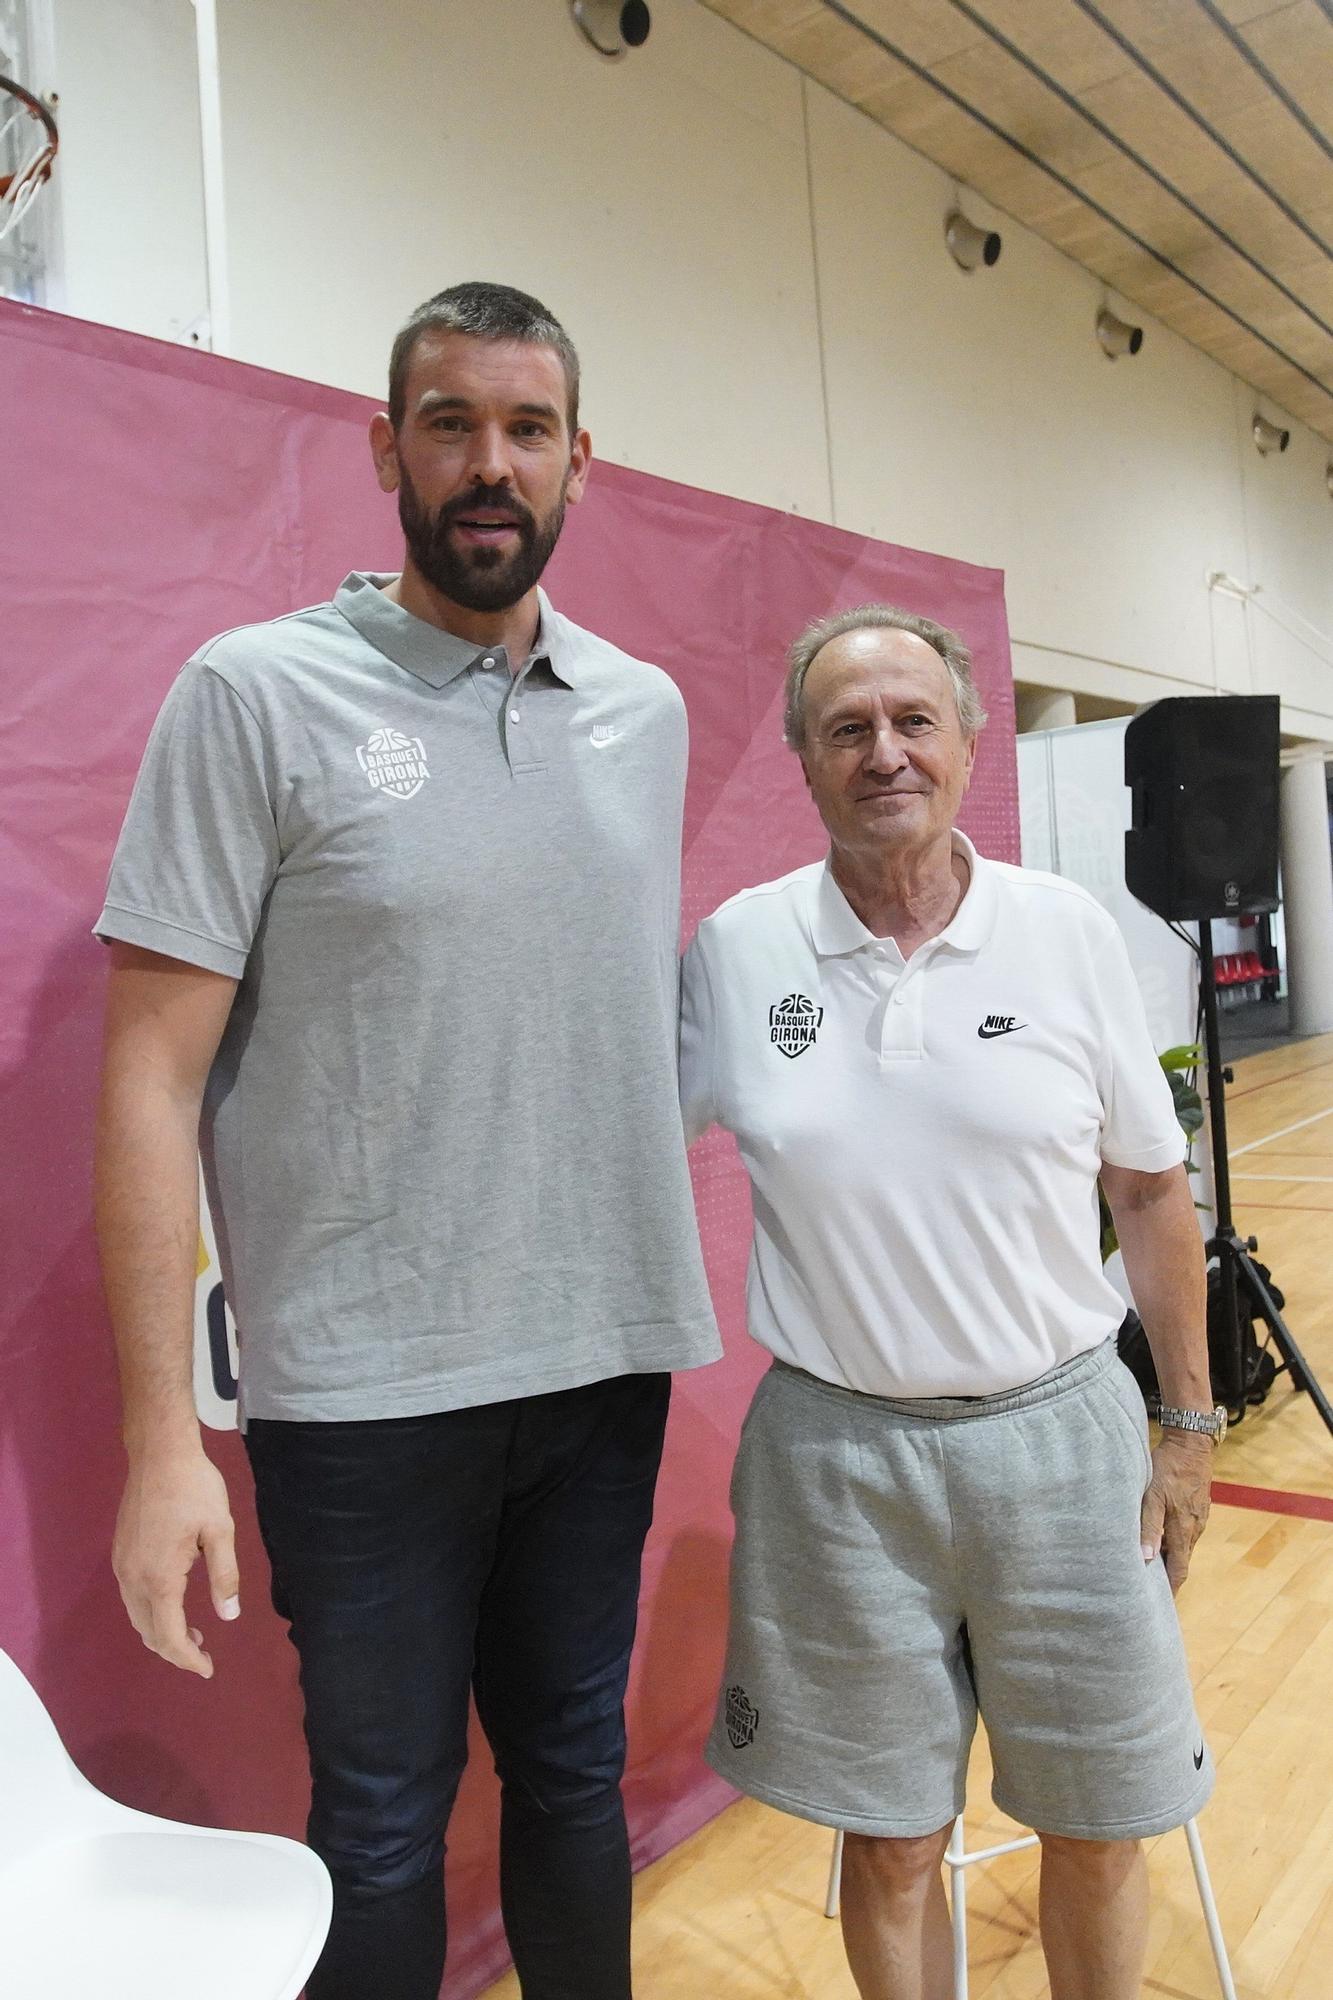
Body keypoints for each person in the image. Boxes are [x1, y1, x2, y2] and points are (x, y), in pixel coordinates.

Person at [93, 280, 719, 2000]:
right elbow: (146, 1079)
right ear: (387, 448)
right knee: (378, 1829)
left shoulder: (640, 712)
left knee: (574, 1782)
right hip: (363, 1395)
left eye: (527, 430)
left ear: (583, 464)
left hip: (601, 1365)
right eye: (450, 423)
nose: (489, 464)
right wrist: (162, 1444)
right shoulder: (255, 695)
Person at [679, 604, 1219, 2000]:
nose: (883, 753)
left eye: (912, 719)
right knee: (892, 1841)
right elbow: (616, 1156)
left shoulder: (1064, 934)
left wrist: (1187, 1427)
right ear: (800, 757)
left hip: (1061, 1440)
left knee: (1096, 1828)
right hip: (835, 1462)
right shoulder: (738, 951)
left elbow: (1152, 1196)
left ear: (968, 739)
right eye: (845, 727)